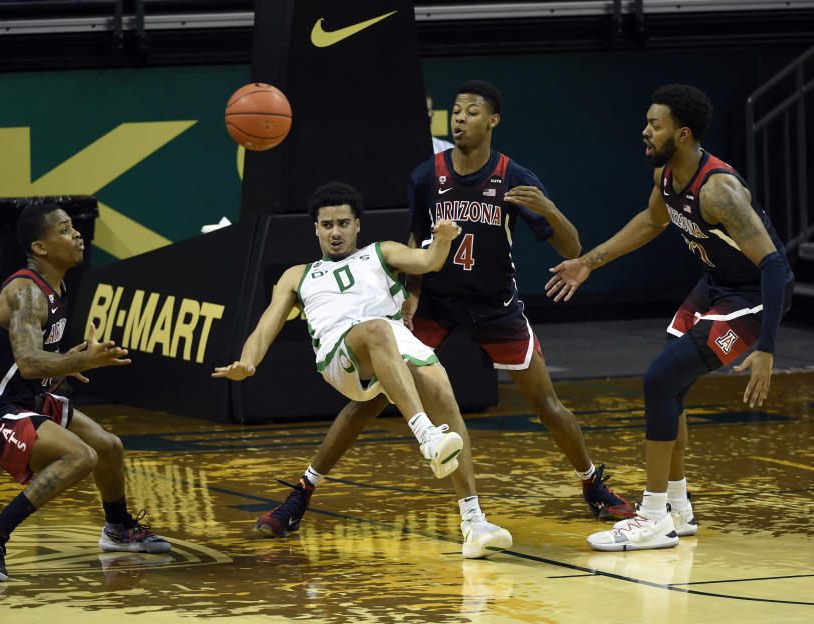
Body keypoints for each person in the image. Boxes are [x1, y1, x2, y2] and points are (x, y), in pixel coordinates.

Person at [254, 80, 635, 546]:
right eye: (455, 111)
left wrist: (551, 210)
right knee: (368, 400)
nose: (459, 119)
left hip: (496, 306)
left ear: (492, 121)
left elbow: (571, 247)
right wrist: (412, 294)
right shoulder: (425, 176)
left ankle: (592, 483)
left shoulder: (515, 176)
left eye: (470, 112)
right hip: (436, 303)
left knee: (546, 404)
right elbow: (416, 241)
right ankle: (302, 494)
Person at [545, 84, 793, 551]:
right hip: (716, 284)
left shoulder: (719, 191)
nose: (644, 131)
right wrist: (587, 263)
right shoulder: (665, 174)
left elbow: (776, 265)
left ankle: (653, 516)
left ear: (682, 135)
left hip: (755, 295)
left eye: (654, 124)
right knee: (668, 382)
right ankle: (678, 506)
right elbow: (651, 222)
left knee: (659, 379)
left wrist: (767, 348)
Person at [213, 181, 513, 558]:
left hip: (393, 345)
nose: (335, 232)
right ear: (316, 229)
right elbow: (264, 327)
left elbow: (428, 262)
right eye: (326, 225)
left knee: (442, 393)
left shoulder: (381, 252)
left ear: (357, 225)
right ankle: (426, 436)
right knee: (376, 331)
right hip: (341, 356)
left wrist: (444, 240)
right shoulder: (298, 275)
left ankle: (473, 520)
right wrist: (247, 363)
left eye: (342, 223)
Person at [0, 203, 171, 581]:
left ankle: (119, 529)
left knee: (109, 447)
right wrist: (82, 362)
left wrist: (64, 362)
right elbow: (28, 364)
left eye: (74, 228)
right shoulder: (27, 292)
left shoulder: (56, 286)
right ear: (40, 246)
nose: (77, 235)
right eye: (66, 229)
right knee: (79, 456)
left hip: (25, 400)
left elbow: (33, 363)